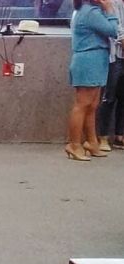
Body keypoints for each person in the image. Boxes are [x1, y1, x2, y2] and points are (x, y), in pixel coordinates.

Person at [66, 0, 118, 160]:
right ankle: (74, 145)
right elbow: (112, 30)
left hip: (96, 59)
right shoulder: (90, 12)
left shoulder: (89, 10)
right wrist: (110, 10)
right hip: (89, 60)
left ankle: (92, 142)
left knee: (92, 105)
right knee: (82, 104)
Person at [95, 0, 124, 152]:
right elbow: (115, 29)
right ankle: (103, 136)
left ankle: (120, 135)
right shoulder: (112, 2)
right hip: (114, 55)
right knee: (109, 97)